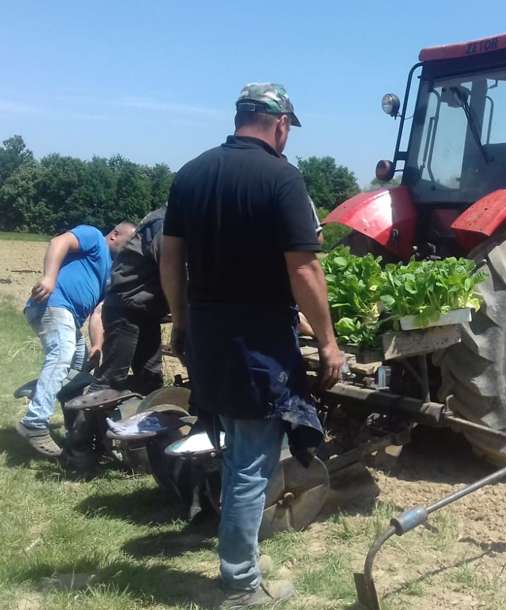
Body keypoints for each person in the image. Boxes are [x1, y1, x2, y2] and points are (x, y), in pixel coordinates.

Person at [160, 82, 344, 608]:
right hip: (257, 341)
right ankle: (240, 583)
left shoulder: (191, 174)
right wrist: (328, 342)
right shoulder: (283, 179)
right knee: (250, 462)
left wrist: (181, 320)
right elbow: (304, 268)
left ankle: (241, 552)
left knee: (239, 447)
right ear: (280, 124)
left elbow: (170, 258)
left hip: (210, 335)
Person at [16, 222, 135, 456]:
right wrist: (49, 277)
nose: (133, 248)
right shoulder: (93, 237)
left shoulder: (111, 271)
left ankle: (42, 388)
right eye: (130, 242)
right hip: (53, 304)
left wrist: (98, 344)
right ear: (115, 235)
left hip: (70, 318)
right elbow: (58, 242)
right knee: (62, 354)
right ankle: (34, 422)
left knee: (78, 371)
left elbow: (97, 313)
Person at [88, 206, 168, 396]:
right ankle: (84, 423)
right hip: (127, 308)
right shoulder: (164, 224)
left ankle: (140, 423)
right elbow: (172, 267)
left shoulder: (171, 222)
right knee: (111, 379)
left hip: (147, 311)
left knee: (150, 378)